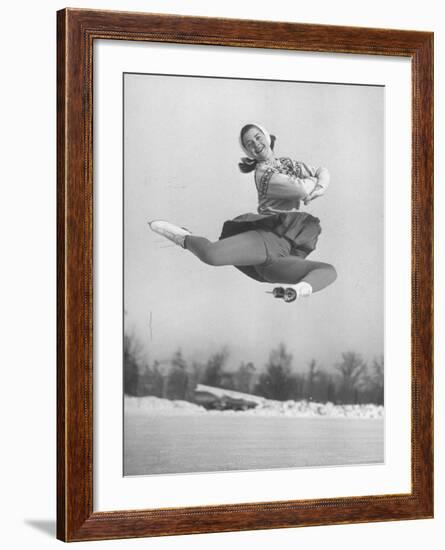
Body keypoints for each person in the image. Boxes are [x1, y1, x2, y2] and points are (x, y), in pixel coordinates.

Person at [149, 123, 336, 302]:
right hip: (268, 236)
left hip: (281, 255)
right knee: (211, 255)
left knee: (329, 270)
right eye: (249, 144)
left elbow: (321, 170)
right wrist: (313, 184)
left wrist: (320, 186)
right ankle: (184, 237)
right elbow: (302, 190)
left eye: (258, 137)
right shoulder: (264, 174)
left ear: (267, 137)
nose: (256, 144)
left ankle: (296, 291)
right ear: (248, 152)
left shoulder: (288, 163)